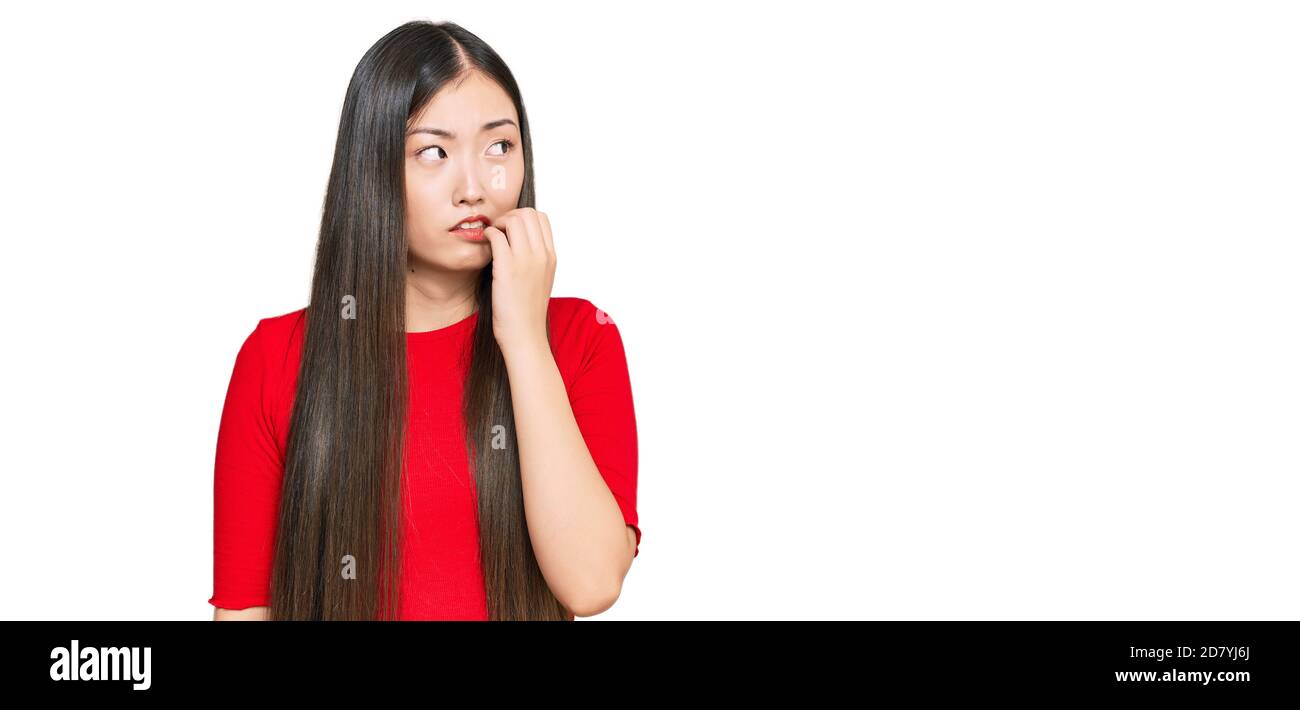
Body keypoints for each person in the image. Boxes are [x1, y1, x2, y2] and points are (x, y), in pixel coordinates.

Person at [208, 20, 639, 621]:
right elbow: (245, 611)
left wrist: (523, 340)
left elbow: (591, 584)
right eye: (433, 152)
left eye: (499, 147)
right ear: (373, 171)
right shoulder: (278, 358)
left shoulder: (579, 338)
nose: (474, 187)